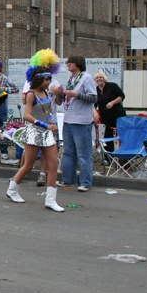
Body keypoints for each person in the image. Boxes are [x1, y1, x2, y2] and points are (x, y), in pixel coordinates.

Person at [7, 64, 64, 211]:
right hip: (34, 132)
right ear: (38, 79)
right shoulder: (31, 94)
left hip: (47, 132)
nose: (48, 81)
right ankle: (12, 190)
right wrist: (46, 125)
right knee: (29, 165)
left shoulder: (46, 93)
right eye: (46, 79)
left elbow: (48, 111)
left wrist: (51, 122)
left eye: (50, 79)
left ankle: (50, 200)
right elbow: (27, 116)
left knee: (53, 164)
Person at [54, 55, 97, 191]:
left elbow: (93, 98)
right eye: (67, 62)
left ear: (78, 64)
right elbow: (64, 100)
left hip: (82, 121)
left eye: (71, 62)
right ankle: (68, 179)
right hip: (68, 120)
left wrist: (76, 94)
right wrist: (59, 94)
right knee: (68, 152)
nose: (68, 64)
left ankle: (85, 182)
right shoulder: (71, 79)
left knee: (83, 153)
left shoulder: (86, 78)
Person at [0, 60, 20, 161]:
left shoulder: (5, 79)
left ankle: (4, 151)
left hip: (1, 105)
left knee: (1, 127)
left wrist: (4, 89)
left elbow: (16, 89)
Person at [93, 69, 126, 153]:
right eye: (97, 78)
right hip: (105, 116)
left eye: (100, 77)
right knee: (107, 136)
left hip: (117, 114)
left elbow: (121, 96)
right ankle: (109, 157)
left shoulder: (112, 86)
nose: (99, 79)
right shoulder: (95, 90)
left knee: (122, 134)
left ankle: (123, 154)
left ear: (104, 78)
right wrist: (95, 112)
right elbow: (93, 103)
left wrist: (112, 102)